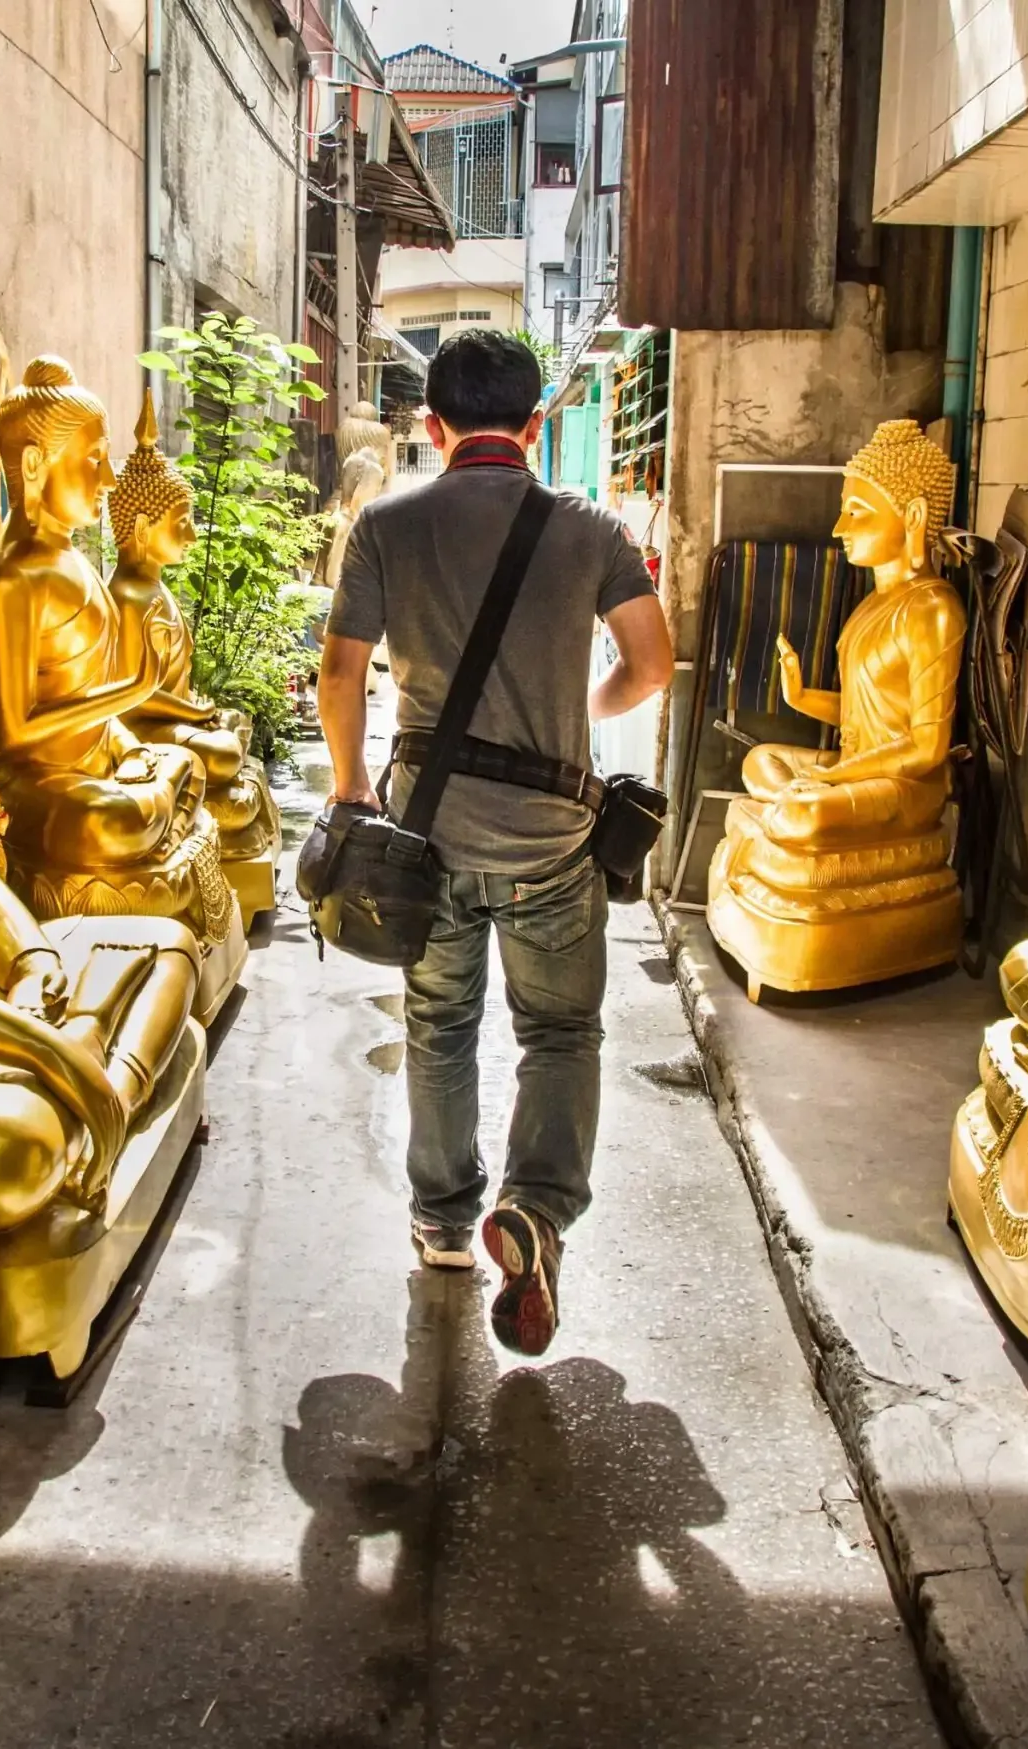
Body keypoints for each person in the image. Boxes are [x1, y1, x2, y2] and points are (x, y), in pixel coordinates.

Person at [319, 330, 674, 1355]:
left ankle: (440, 1222)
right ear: (534, 426)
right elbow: (652, 668)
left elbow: (340, 678)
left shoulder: (385, 525)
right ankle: (537, 1209)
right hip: (554, 842)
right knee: (558, 1034)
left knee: (439, 1026)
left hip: (422, 837)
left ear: (431, 427)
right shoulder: (590, 531)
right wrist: (581, 707)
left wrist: (351, 791)